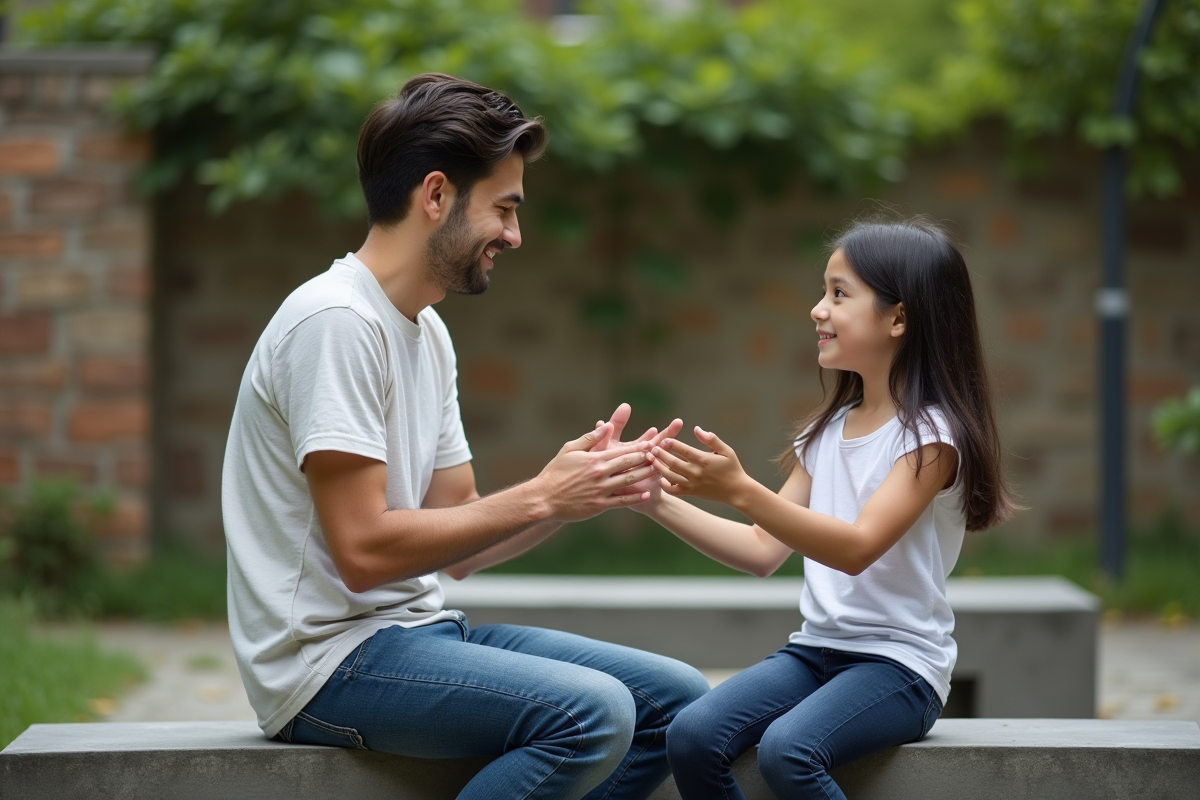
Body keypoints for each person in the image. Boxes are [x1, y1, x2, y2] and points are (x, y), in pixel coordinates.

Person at [220, 73, 709, 800]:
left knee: (679, 701)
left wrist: (578, 495)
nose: (515, 235)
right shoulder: (335, 323)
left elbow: (463, 535)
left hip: (416, 634)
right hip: (325, 666)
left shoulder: (427, 330)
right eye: (505, 208)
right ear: (437, 195)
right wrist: (542, 497)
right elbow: (362, 554)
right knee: (595, 713)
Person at [636, 218, 1016, 799]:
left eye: (839, 293)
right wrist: (652, 499)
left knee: (790, 751)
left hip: (899, 669)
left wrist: (740, 489)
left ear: (899, 317)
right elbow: (762, 549)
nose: (818, 309)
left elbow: (857, 548)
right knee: (691, 734)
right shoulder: (827, 430)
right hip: (816, 652)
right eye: (824, 291)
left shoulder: (933, 439)